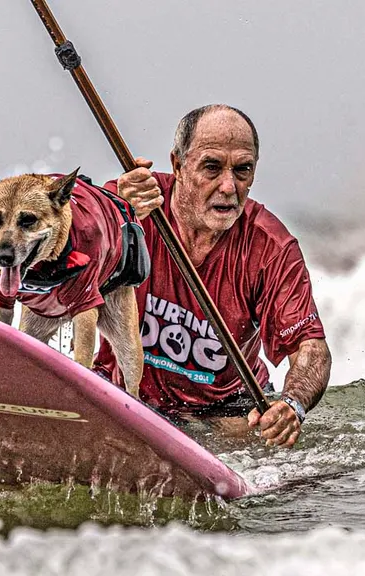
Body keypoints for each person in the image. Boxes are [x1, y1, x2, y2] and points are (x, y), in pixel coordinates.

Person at [92, 104, 332, 448]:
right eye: (212, 168)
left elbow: (310, 348)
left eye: (243, 170)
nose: (229, 187)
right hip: (123, 390)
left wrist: (291, 404)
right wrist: (108, 210)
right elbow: (63, 254)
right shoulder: (130, 205)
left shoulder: (271, 247)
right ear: (178, 165)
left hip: (226, 407)